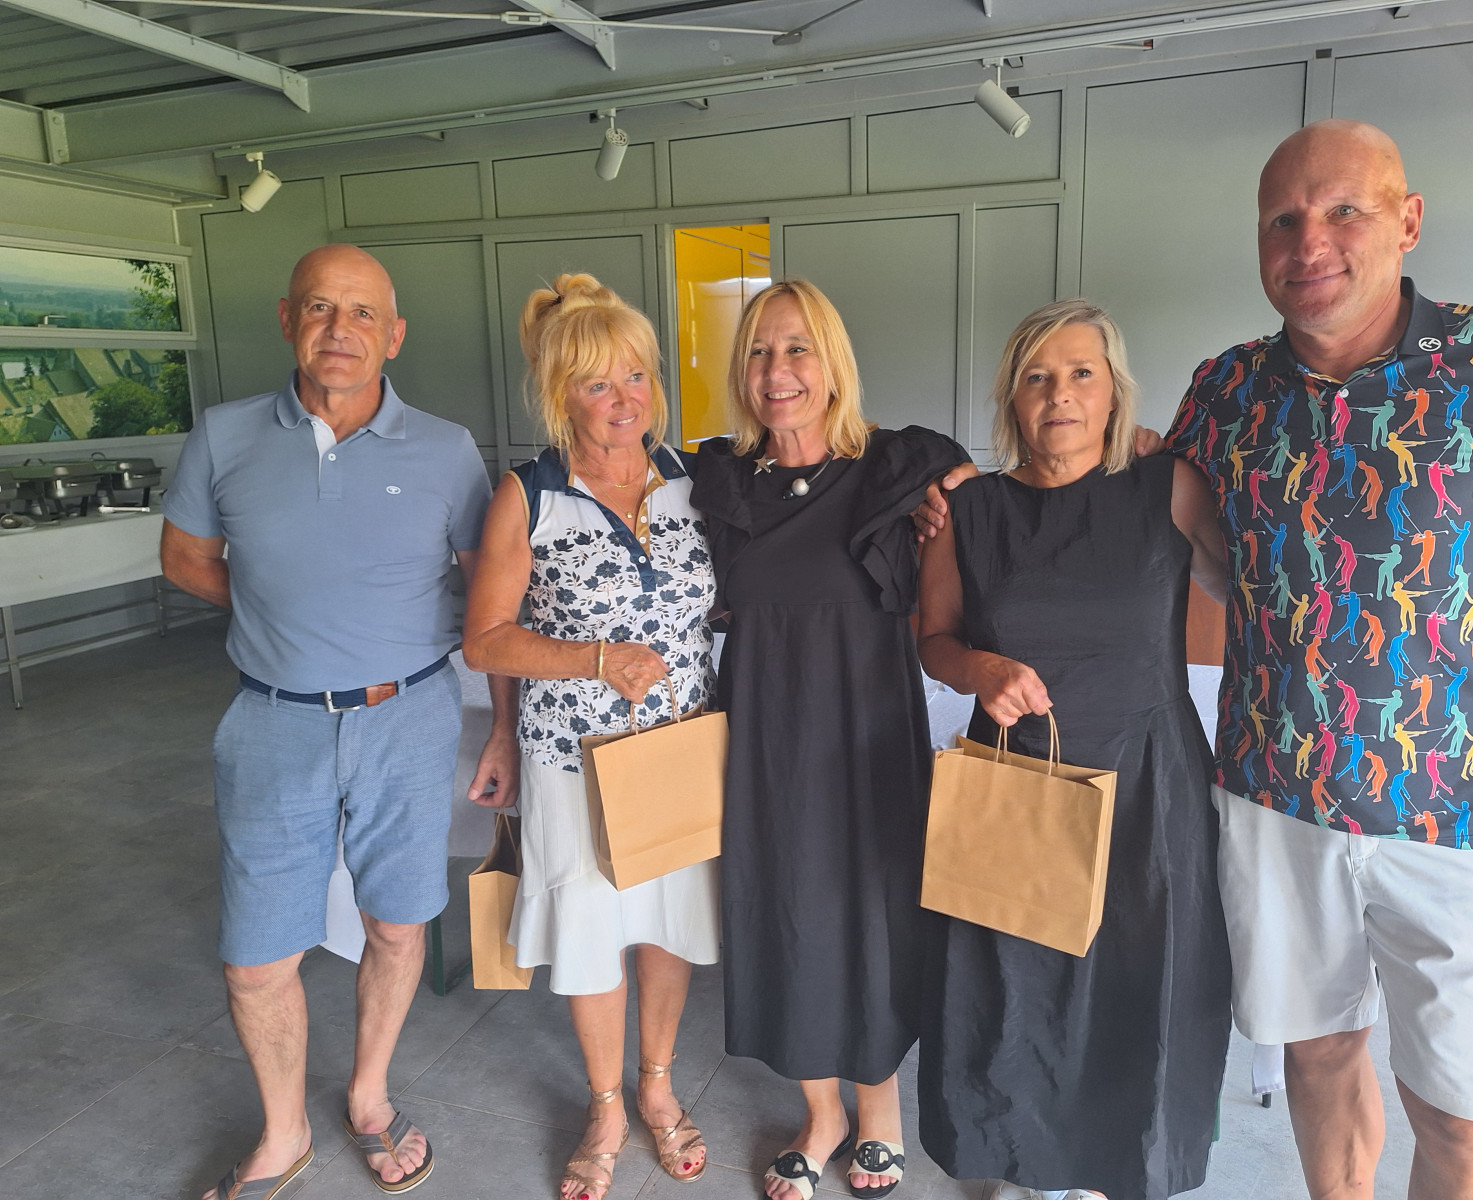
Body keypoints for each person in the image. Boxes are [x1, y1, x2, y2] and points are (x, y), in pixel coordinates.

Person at [924, 119, 1473, 1199]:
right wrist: (978, 499)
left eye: (1343, 211)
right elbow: (1145, 519)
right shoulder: (1228, 393)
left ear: (1408, 222)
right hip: (1274, 803)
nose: (1308, 240)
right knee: (1317, 1061)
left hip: (1463, 812)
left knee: (1461, 1120)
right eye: (1282, 218)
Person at [161, 243, 508, 1198]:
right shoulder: (225, 435)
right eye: (319, 307)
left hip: (409, 716)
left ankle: (368, 1096)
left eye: (362, 313)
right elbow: (185, 556)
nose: (339, 329)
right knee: (255, 958)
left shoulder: (445, 448)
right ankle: (282, 1135)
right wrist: (280, 614)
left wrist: (502, 728)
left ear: (394, 335)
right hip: (273, 723)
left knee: (397, 926)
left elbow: (488, 597)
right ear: (288, 319)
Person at [915, 299, 1233, 1200]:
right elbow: (934, 639)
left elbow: (1248, 576)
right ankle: (1028, 1167)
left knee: (1137, 978)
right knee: (1017, 983)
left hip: (1148, 779)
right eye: (1038, 377)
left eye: (1081, 373)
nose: (1060, 394)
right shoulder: (968, 509)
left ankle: (1113, 1169)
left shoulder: (1167, 487)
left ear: (1113, 392)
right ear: (1012, 399)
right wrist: (979, 668)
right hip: (1020, 774)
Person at [689, 280, 968, 1200]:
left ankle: (879, 1112)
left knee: (871, 916)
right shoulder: (723, 480)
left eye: (797, 348)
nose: (778, 370)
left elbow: (997, 506)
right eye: (760, 351)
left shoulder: (897, 466)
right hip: (768, 733)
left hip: (868, 732)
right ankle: (822, 1114)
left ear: (833, 363)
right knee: (785, 911)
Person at [461, 273, 719, 1200]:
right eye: (598, 384)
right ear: (559, 394)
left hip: (680, 751)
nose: (624, 400)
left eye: (636, 377)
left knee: (667, 924)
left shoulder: (692, 479)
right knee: (592, 929)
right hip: (572, 760)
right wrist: (594, 660)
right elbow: (486, 638)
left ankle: (657, 1085)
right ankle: (606, 1104)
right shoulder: (529, 494)